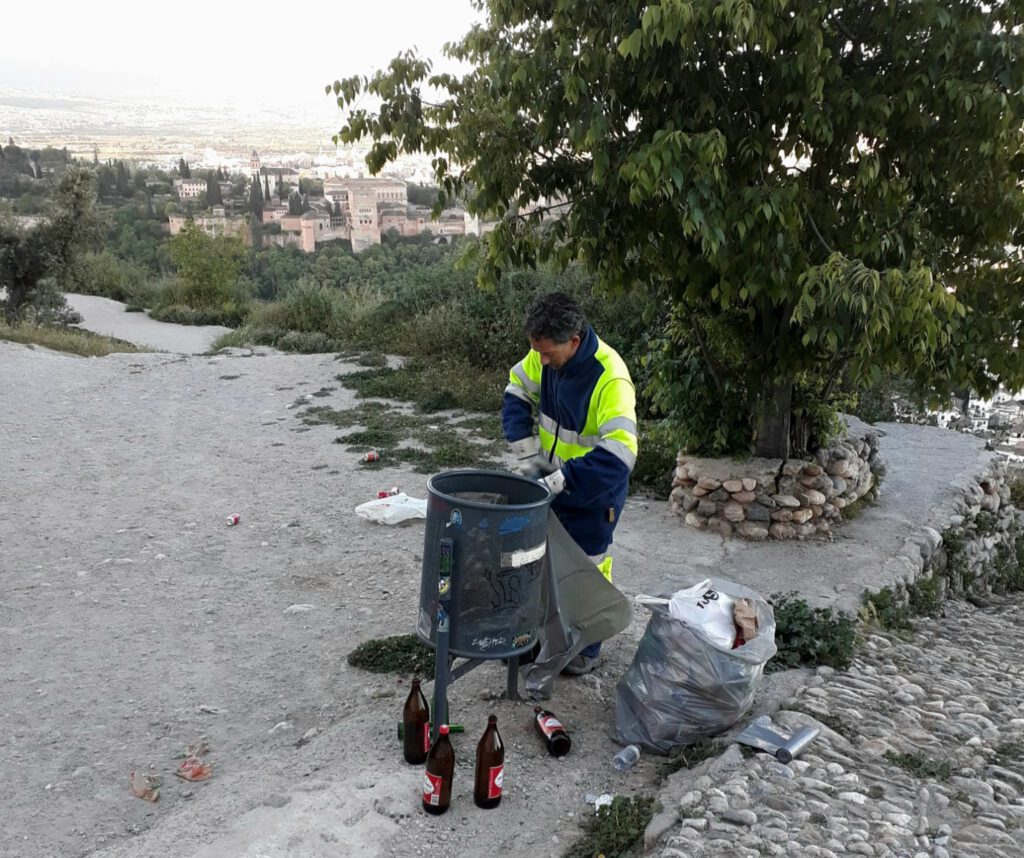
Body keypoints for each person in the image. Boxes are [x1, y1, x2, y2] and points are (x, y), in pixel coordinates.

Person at [502, 292, 638, 675]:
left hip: (593, 496)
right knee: (541, 564)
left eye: (548, 353)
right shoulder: (544, 353)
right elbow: (516, 391)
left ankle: (585, 648)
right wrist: (529, 458)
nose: (541, 361)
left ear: (574, 341)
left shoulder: (610, 376)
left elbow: (621, 455)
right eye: (536, 351)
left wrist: (561, 479)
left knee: (586, 572)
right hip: (550, 484)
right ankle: (542, 637)